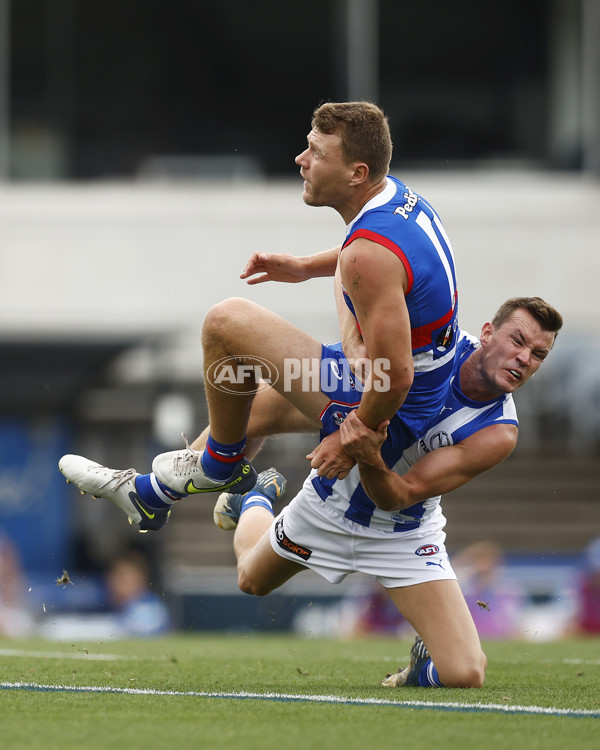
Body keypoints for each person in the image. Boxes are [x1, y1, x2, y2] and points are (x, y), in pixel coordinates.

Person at [59, 100, 458, 532]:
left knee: (226, 323)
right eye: (307, 147)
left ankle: (219, 468)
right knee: (246, 410)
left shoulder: (367, 254)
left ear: (356, 173)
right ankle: (149, 496)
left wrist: (351, 437)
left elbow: (394, 376)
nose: (300, 160)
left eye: (316, 154)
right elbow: (379, 264)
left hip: (392, 408)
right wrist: (306, 267)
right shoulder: (395, 195)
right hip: (414, 384)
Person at [212, 296, 562, 689]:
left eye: (538, 354)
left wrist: (365, 452)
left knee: (466, 674)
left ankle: (420, 666)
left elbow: (398, 494)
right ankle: (255, 497)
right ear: (486, 333)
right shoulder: (433, 345)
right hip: (327, 506)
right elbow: (359, 276)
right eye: (517, 340)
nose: (524, 358)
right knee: (251, 580)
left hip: (403, 534)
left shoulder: (498, 431)